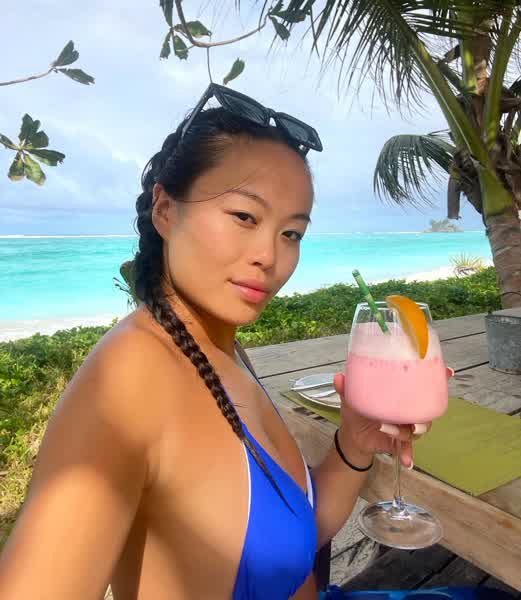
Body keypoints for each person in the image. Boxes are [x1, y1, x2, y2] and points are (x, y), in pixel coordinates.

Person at [0, 84, 429, 600]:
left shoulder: (220, 348)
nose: (270, 256)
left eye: (291, 233)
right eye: (245, 217)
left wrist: (356, 442)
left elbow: (289, 545)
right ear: (165, 210)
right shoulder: (128, 380)